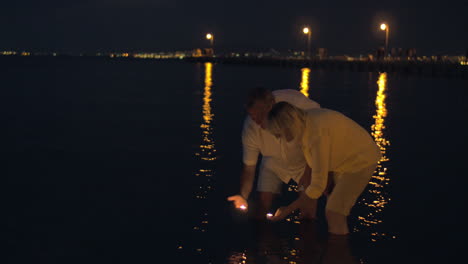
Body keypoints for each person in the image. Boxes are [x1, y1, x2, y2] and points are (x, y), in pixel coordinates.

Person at [266, 102, 381, 235]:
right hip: (343, 161)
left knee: (334, 212)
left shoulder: (316, 132)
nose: (278, 138)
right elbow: (319, 157)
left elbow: (317, 187)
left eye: (278, 133)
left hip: (360, 160)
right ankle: (333, 248)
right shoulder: (305, 123)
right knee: (332, 202)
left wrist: (287, 210)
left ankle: (338, 252)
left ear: (287, 126)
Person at [227, 87, 320, 219]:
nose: (257, 122)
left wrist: (310, 172)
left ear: (271, 106)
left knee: (307, 208)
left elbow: (319, 134)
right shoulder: (251, 128)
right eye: (253, 116)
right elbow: (249, 168)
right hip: (272, 159)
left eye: (260, 115)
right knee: (262, 205)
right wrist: (243, 196)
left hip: (303, 159)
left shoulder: (297, 106)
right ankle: (264, 235)